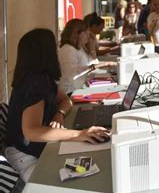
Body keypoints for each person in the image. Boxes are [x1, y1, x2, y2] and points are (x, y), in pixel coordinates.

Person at [5, 29, 110, 182]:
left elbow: (66, 100)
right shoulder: (34, 84)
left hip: (36, 150)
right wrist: (79, 134)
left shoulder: (42, 78)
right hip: (26, 158)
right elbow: (31, 131)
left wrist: (59, 114)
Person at [58, 19, 114, 94]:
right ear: (76, 33)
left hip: (80, 87)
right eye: (85, 32)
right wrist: (95, 66)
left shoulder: (79, 47)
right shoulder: (67, 49)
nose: (88, 35)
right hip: (70, 92)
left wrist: (91, 46)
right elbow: (72, 73)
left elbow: (93, 62)